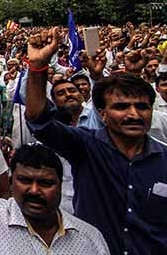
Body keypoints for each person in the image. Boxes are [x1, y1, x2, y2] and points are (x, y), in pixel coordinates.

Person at [25, 27, 167, 254]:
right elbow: (39, 120)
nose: (133, 114)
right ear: (102, 113)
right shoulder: (86, 147)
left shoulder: (164, 158)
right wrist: (38, 66)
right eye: (121, 107)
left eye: (142, 107)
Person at [0, 132, 110, 254]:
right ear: (11, 181)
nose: (34, 191)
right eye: (25, 181)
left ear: (60, 185)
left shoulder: (89, 239)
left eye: (45, 183)